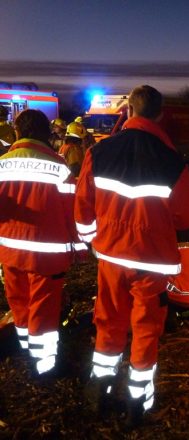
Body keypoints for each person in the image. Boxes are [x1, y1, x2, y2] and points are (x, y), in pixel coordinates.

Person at [74, 85, 189, 427]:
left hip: (111, 256)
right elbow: (185, 218)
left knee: (108, 320)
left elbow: (83, 207)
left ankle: (101, 387)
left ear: (128, 111)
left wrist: (91, 241)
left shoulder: (99, 152)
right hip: (151, 262)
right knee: (145, 329)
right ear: (160, 115)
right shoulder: (173, 162)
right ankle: (136, 403)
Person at [0, 109, 87, 381]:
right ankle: (45, 366)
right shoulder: (60, 168)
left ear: (17, 132)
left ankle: (27, 350)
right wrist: (80, 250)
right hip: (46, 255)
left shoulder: (1, 164)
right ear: (45, 134)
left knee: (19, 303)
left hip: (9, 251)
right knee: (43, 309)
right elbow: (73, 214)